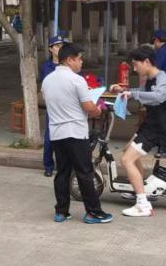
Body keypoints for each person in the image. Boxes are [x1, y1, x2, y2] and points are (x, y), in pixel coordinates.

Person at [41, 43, 113, 224]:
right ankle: (93, 212)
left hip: (56, 133)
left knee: (62, 172)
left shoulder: (47, 80)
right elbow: (89, 107)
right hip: (75, 133)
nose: (81, 62)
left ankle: (61, 211)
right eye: (79, 59)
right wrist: (98, 110)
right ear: (69, 60)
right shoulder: (77, 80)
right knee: (84, 172)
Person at [109, 46, 166, 217]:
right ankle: (140, 189)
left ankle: (143, 204)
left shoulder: (163, 78)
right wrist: (124, 91)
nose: (135, 69)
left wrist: (133, 95)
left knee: (126, 160)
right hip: (149, 125)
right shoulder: (150, 78)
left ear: (146, 62)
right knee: (127, 151)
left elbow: (159, 96)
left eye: (136, 65)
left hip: (157, 128)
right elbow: (143, 92)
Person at [38, 34, 67, 177]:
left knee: (64, 138)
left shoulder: (67, 65)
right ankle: (48, 165)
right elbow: (44, 86)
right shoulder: (46, 67)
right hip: (53, 106)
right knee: (50, 137)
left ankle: (63, 165)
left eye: (62, 46)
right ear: (50, 49)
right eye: (57, 46)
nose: (60, 49)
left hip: (66, 106)